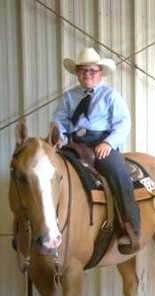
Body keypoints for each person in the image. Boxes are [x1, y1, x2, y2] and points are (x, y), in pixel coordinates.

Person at [52, 47, 140, 254]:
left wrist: (108, 143)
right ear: (77, 73)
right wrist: (60, 139)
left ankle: (130, 226)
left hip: (101, 142)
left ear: (100, 73)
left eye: (92, 71)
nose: (87, 74)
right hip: (74, 143)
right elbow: (59, 121)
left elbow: (123, 123)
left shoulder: (110, 95)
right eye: (83, 70)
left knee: (117, 173)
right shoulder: (69, 97)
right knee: (52, 173)